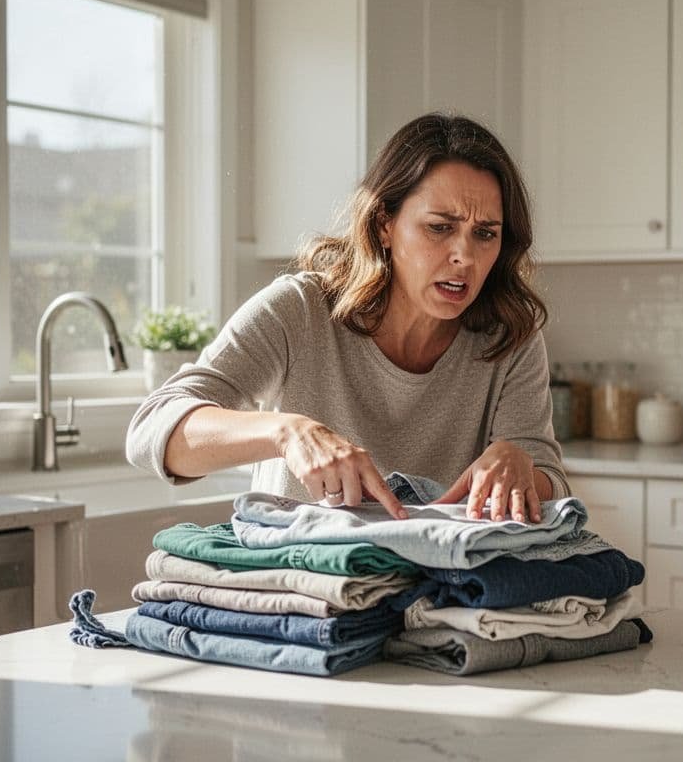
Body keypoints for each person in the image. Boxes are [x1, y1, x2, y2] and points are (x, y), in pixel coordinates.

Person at [126, 113, 567, 523]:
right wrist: (286, 432)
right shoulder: (298, 310)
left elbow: (549, 479)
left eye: (485, 234)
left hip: (438, 592)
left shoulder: (510, 334)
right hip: (303, 587)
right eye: (439, 227)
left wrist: (519, 462)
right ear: (383, 225)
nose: (464, 256)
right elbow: (152, 429)